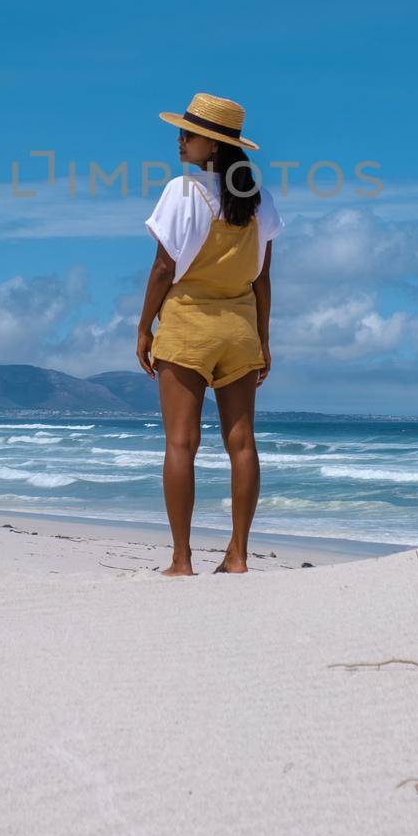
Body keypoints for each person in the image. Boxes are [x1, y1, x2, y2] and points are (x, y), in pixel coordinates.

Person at [136, 93, 283, 576]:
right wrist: (262, 339)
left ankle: (181, 561)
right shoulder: (259, 199)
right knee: (242, 444)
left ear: (213, 146)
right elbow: (262, 278)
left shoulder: (182, 191)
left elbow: (163, 268)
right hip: (239, 328)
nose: (180, 141)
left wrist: (143, 327)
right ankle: (238, 556)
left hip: (187, 327)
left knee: (181, 443)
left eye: (188, 134)